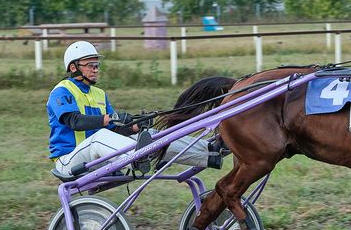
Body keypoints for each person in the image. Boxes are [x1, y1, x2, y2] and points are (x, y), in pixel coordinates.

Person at [47, 41, 222, 177]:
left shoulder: (99, 94)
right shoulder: (62, 91)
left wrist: (136, 126)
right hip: (68, 161)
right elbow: (74, 121)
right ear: (73, 67)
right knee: (99, 137)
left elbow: (114, 129)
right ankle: (139, 156)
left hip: (96, 158)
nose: (95, 69)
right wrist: (109, 118)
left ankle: (210, 152)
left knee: (152, 134)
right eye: (90, 65)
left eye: (97, 65)